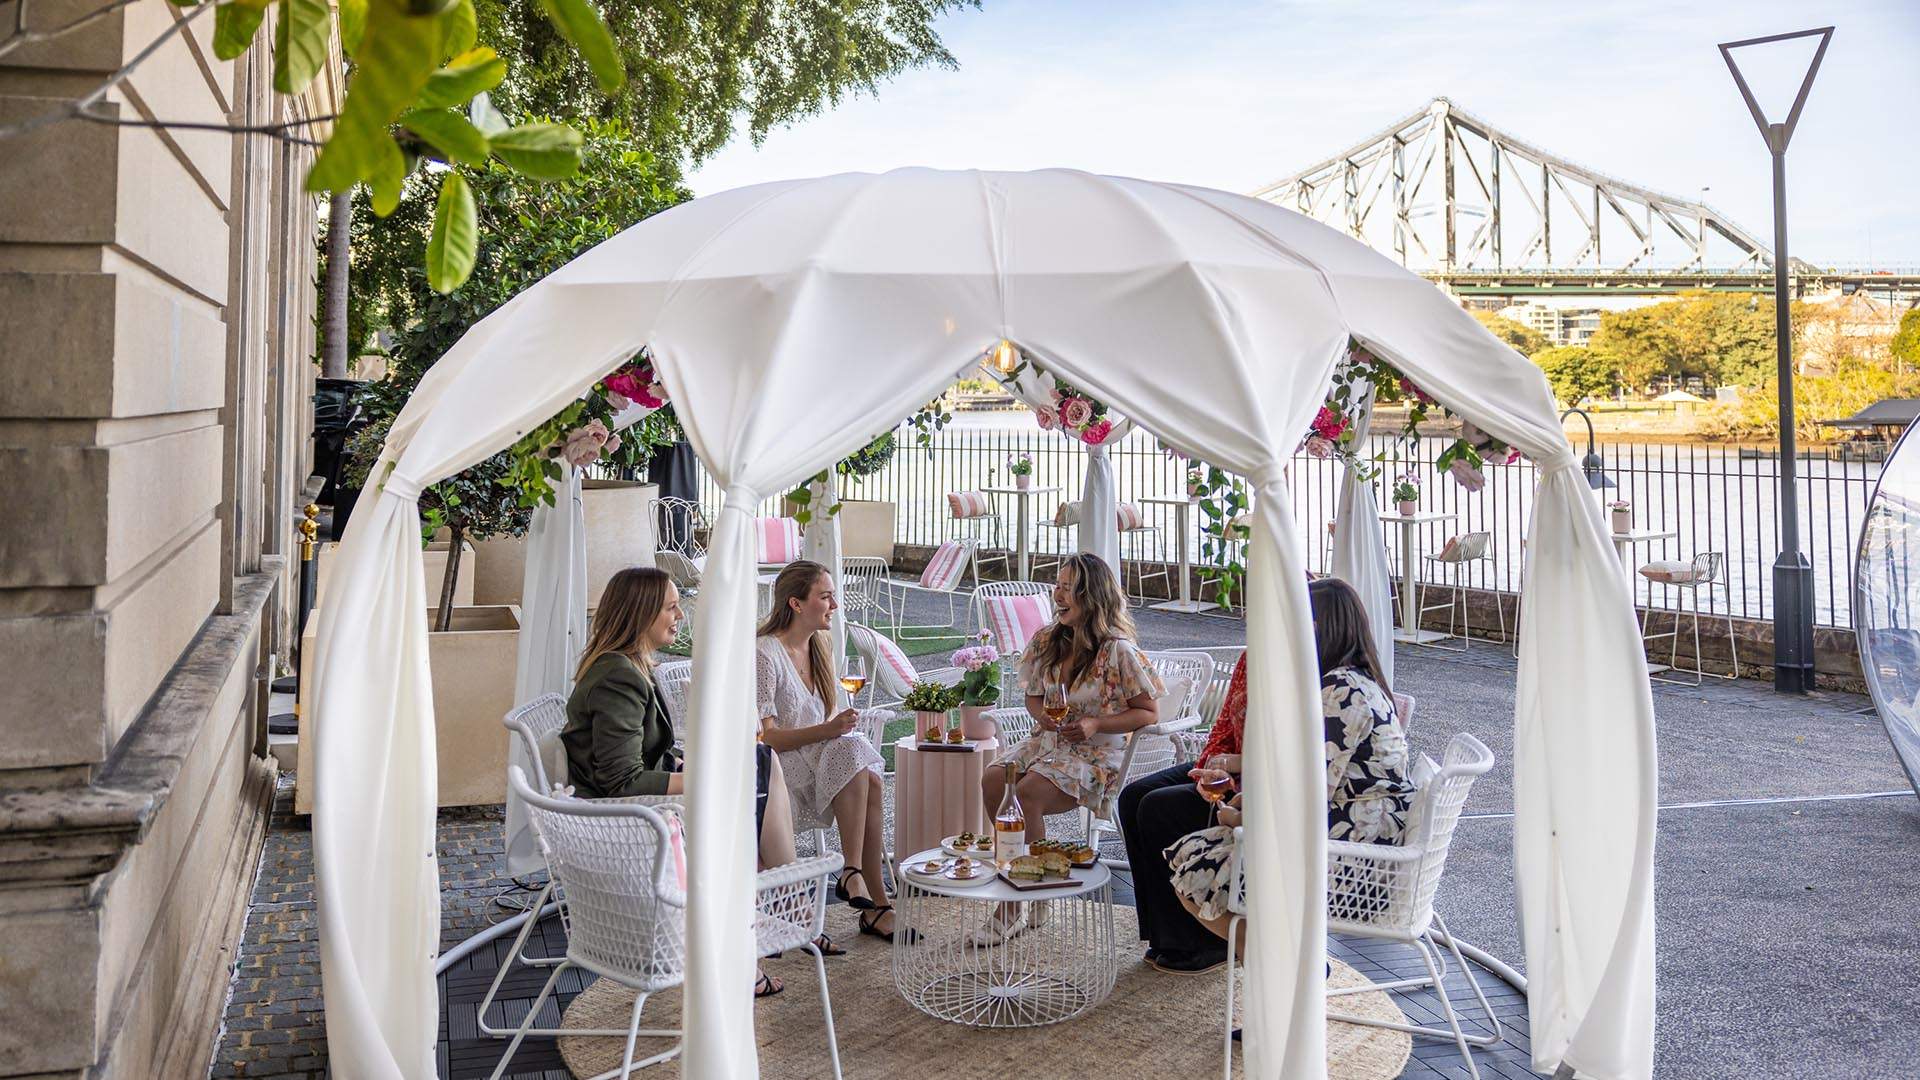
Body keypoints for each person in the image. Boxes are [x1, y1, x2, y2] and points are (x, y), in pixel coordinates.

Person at [561, 567, 822, 997]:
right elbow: (621, 779)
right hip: (627, 823)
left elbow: (646, 753)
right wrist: (706, 778)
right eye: (670, 606)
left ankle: (782, 900)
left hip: (636, 812)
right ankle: (783, 903)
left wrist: (693, 762)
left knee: (758, 760)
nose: (680, 614)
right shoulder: (617, 677)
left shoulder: (628, 666)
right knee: (752, 772)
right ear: (641, 613)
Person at [1164, 577, 1415, 954]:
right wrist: (1241, 803)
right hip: (1355, 839)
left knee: (1196, 866)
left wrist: (1240, 817)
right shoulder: (1352, 683)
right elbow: (1302, 778)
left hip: (1352, 861)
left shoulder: (1341, 693)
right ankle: (1286, 971)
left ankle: (1287, 973)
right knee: (1195, 853)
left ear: (1315, 628)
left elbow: (1304, 793)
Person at [978, 552, 1164, 942]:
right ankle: (1030, 875)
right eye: (1057, 586)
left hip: (1096, 753)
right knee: (994, 781)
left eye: (1067, 588)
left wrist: (1097, 722)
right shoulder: (1047, 640)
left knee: (1026, 794)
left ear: (1090, 596)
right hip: (1047, 741)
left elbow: (1148, 713)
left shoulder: (1118, 652)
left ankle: (1013, 901)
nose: (1057, 594)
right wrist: (1041, 716)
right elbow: (1033, 695)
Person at [754, 560, 898, 940]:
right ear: (796, 604)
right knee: (854, 754)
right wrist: (830, 729)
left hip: (822, 761)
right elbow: (765, 738)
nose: (834, 605)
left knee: (866, 770)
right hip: (782, 772)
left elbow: (830, 724)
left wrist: (836, 729)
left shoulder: (821, 646)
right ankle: (861, 884)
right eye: (826, 596)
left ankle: (869, 895)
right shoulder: (765, 654)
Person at [1116, 651, 1247, 974]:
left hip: (1253, 775)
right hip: (1228, 763)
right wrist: (1209, 767)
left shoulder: (1309, 673)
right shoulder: (1251, 657)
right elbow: (1224, 725)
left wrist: (1231, 767)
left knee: (1158, 807)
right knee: (1133, 796)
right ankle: (1162, 934)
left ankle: (1204, 941)